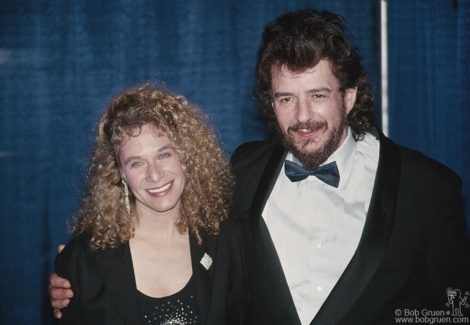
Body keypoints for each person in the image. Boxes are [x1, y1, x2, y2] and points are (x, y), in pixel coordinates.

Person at [50, 9, 470, 324]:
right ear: (271, 104)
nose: (302, 116)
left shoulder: (429, 190)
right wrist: (83, 270)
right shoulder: (245, 171)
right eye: (286, 98)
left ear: (350, 96)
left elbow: (454, 312)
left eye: (318, 95)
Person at [51, 84, 247, 324]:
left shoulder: (229, 239)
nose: (155, 175)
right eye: (136, 163)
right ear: (119, 173)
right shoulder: (82, 262)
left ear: (186, 156)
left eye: (164, 155)